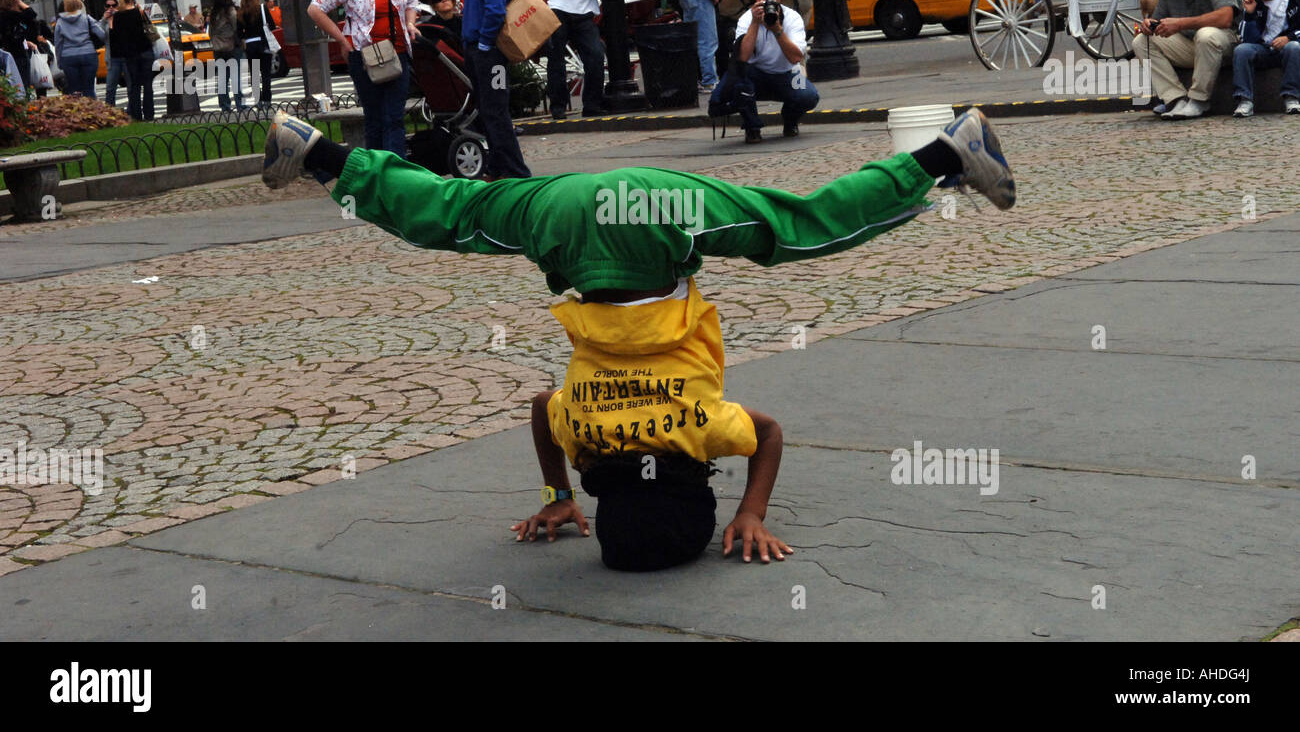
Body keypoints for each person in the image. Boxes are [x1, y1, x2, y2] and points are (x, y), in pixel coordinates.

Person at [259, 105, 1016, 569]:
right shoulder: (585, 433)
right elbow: (538, 407)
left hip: (643, 217)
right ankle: (317, 153)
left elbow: (768, 434)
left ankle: (949, 152)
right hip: (569, 218)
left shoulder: (700, 428)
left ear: (694, 481)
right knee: (454, 212)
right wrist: (558, 491)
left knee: (796, 227)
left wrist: (750, 511)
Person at [310, 0, 419, 156]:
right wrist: (341, 40)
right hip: (365, 57)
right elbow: (316, 8)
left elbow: (411, 1)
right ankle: (377, 173)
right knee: (375, 118)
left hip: (397, 53)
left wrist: (410, 23)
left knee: (395, 118)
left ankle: (397, 174)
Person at [451, 0, 531, 179]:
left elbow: (496, 9)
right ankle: (500, 168)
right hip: (477, 48)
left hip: (490, 51)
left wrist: (484, 44)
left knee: (495, 111)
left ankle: (516, 172)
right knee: (488, 111)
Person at [1132, 0, 1241, 119]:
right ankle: (1175, 99)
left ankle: (1199, 101)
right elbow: (1159, 20)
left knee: (1206, 35)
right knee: (1142, 42)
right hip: (1192, 45)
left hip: (1226, 43)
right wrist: (1149, 24)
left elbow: (1225, 18)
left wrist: (1180, 24)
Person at [709, 0, 819, 144]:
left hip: (785, 74)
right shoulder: (746, 19)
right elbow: (743, 58)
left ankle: (790, 120)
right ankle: (752, 127)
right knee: (739, 81)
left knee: (809, 96)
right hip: (755, 75)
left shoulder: (792, 18)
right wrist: (755, 23)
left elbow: (796, 57)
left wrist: (777, 29)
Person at [1231, 0, 1300, 117]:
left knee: (1295, 47)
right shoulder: (1254, 5)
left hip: (1286, 48)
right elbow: (1246, 38)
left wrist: (1288, 38)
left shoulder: (1292, 0)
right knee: (1241, 50)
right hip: (1263, 49)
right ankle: (1244, 99)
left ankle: (1292, 96)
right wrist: (1249, 15)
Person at [111, 0, 156, 121]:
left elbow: (115, 36)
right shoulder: (139, 12)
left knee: (134, 85)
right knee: (148, 84)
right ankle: (149, 114)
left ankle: (136, 115)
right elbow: (149, 28)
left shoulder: (117, 16)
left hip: (130, 54)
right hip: (145, 50)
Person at [52, 0, 105, 99]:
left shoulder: (60, 22)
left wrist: (59, 60)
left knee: (74, 89)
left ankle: (77, 113)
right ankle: (92, 112)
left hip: (69, 56)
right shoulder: (87, 19)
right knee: (89, 88)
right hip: (88, 54)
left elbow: (58, 44)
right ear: (79, 5)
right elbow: (101, 34)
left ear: (65, 6)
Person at [207, 0, 245, 112]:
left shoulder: (213, 14)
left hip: (218, 49)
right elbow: (237, 29)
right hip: (232, 48)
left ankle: (224, 105)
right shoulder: (231, 12)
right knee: (236, 76)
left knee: (222, 78)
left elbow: (210, 33)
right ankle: (240, 104)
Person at [239, 0, 275, 106]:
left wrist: (247, 34)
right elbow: (272, 25)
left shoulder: (242, 12)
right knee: (266, 73)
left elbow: (239, 33)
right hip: (263, 43)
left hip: (250, 45)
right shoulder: (262, 8)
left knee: (254, 74)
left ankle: (258, 100)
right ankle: (267, 100)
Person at [0, 0, 40, 92]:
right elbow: (31, 13)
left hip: (4, 54)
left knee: (7, 88)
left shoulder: (4, 16)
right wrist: (20, 2)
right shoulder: (12, 15)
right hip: (17, 55)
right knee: (22, 86)